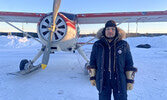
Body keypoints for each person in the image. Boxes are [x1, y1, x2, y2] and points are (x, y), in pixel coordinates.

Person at [87, 20, 137, 100]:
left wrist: (130, 80)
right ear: (104, 31)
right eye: (108, 29)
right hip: (103, 80)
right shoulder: (97, 45)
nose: (110, 31)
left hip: (119, 80)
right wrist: (92, 77)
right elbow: (93, 61)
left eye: (113, 29)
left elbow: (129, 63)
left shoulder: (123, 44)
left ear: (116, 31)